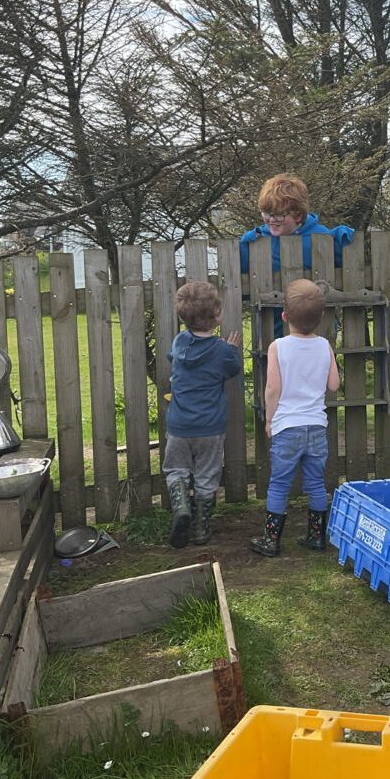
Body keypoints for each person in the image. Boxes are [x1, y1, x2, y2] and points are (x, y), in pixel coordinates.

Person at [250, 279, 340, 557]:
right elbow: (334, 385)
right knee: (316, 484)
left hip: (287, 427)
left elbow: (273, 389)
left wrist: (269, 420)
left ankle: (271, 541)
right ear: (321, 316)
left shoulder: (278, 346)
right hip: (316, 427)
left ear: (284, 316)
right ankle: (316, 537)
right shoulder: (324, 345)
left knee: (279, 484)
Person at [163, 281, 242, 549]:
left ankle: (181, 506)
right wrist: (231, 349)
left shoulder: (179, 342)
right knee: (207, 474)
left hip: (179, 425)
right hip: (210, 427)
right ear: (217, 314)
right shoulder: (223, 351)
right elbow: (232, 369)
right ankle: (200, 528)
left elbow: (172, 358)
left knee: (176, 469)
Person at [239, 173, 354, 335]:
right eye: (266, 213)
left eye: (279, 215)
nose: (271, 219)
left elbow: (345, 273)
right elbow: (241, 280)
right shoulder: (256, 239)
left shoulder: (320, 237)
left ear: (298, 215)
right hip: (272, 327)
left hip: (316, 328)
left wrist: (341, 236)